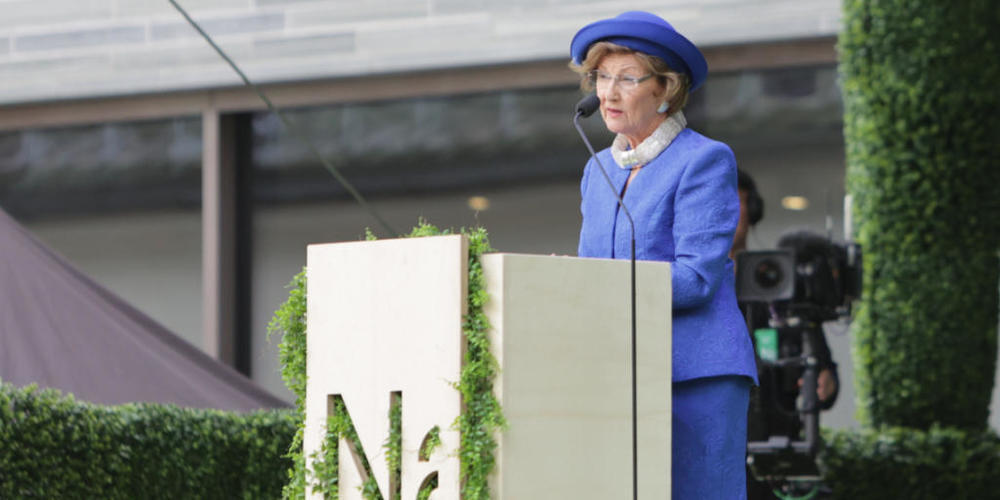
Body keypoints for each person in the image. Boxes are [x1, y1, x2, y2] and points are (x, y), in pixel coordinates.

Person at [570, 12, 757, 499]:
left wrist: (598, 288)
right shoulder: (596, 169)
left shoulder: (704, 159)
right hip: (614, 371)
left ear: (666, 89)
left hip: (694, 372)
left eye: (627, 79)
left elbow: (696, 277)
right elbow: (588, 270)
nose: (607, 93)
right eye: (601, 77)